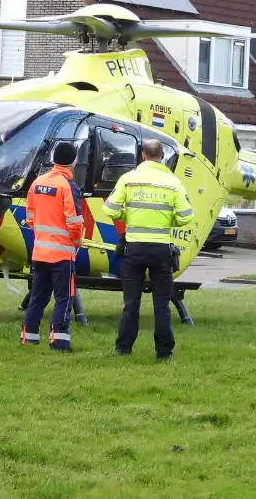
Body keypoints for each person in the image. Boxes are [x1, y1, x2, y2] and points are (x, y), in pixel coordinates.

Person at [102, 139, 194, 361]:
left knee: (130, 303)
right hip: (161, 250)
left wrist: (128, 216)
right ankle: (164, 353)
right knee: (161, 303)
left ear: (143, 155)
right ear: (162, 157)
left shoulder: (129, 179)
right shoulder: (173, 183)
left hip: (133, 249)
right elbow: (186, 216)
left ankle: (123, 348)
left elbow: (109, 209)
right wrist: (166, 221)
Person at [21, 141, 85, 352]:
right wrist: (76, 242)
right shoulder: (68, 186)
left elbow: (29, 217)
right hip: (62, 255)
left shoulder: (38, 182)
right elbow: (74, 222)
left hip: (39, 252)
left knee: (38, 297)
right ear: (73, 162)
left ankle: (29, 337)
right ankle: (59, 342)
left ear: (53, 159)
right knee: (64, 298)